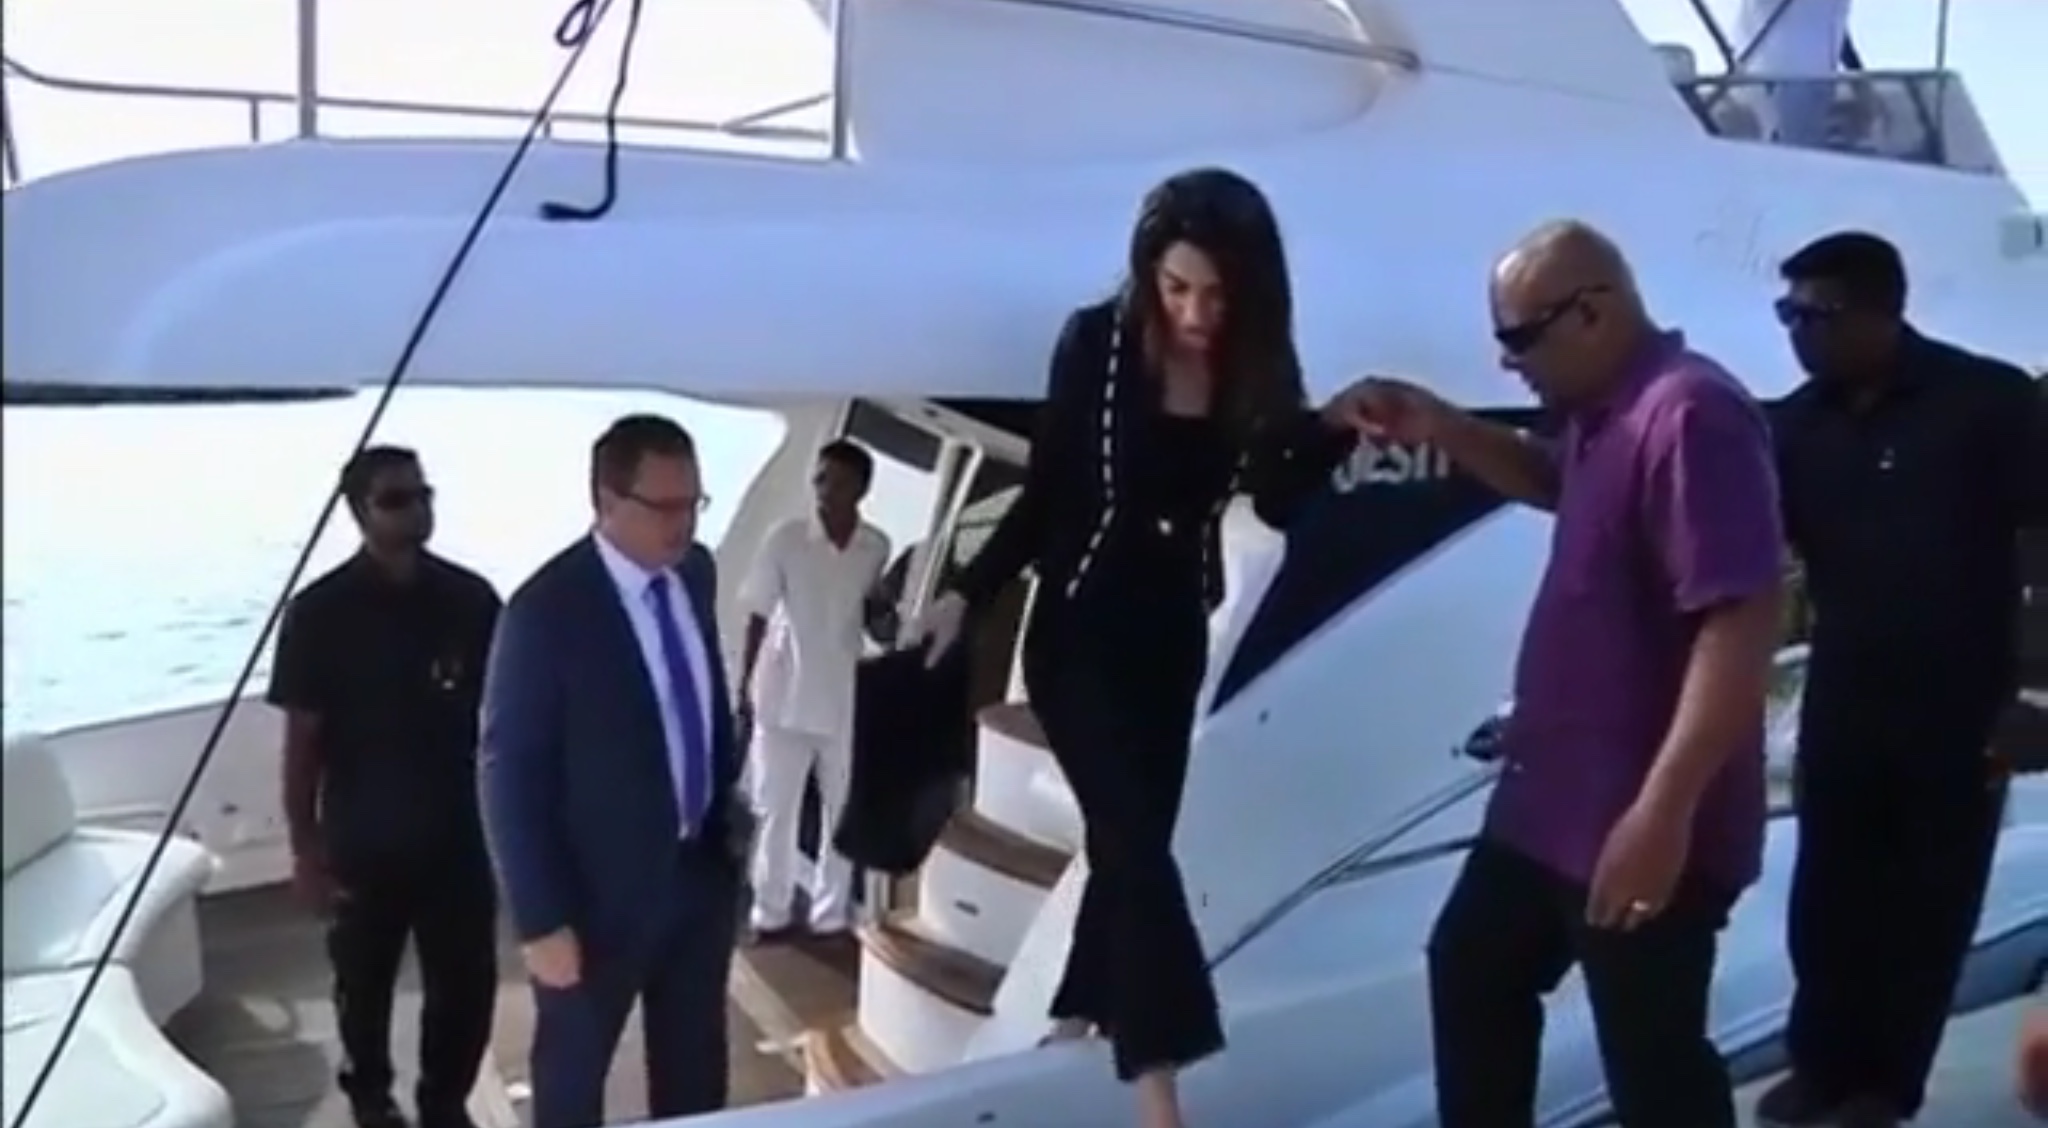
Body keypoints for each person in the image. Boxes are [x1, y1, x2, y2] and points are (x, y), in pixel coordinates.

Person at [911, 167, 1354, 1128]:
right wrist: (965, 594)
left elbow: (1277, 498)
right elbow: (1045, 492)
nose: (1194, 312)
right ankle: (1160, 1092)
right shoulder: (1095, 345)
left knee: (1129, 844)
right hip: (1077, 635)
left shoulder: (1257, 364)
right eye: (1176, 287)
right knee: (1139, 851)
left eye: (1216, 294)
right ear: (1149, 273)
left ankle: (1076, 1010)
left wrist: (1334, 430)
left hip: (1171, 641)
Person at [1328, 221, 1785, 1128]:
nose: (1508, 363)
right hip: (1552, 805)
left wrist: (1663, 813)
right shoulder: (1604, 411)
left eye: (1520, 337)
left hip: (1639, 812)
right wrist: (1444, 426)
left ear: (1591, 313)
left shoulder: (1692, 415)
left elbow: (1741, 622)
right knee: (1472, 967)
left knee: (1653, 1066)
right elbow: (1555, 480)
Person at [1753, 231, 2047, 1128]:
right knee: (1826, 898)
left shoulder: (1989, 401)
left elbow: (2043, 546)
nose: (1799, 333)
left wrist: (2036, 693)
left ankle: (1885, 1087)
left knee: (1928, 902)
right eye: (1788, 314)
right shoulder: (1795, 426)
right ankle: (1821, 1066)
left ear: (1883, 310)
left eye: (1818, 314)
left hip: (1966, 702)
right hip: (1847, 691)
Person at [477, 415, 748, 1128]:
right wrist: (540, 921)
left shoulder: (696, 572)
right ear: (605, 500)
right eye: (663, 506)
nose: (682, 523)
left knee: (696, 1071)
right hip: (592, 902)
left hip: (698, 875)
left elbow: (702, 701)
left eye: (693, 502)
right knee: (572, 1079)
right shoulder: (545, 612)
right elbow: (509, 773)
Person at [267, 446, 503, 1128]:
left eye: (423, 494)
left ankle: (444, 1102)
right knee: (362, 987)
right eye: (397, 499)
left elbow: (508, 721)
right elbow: (302, 745)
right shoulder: (318, 613)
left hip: (458, 834)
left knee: (466, 985)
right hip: (363, 837)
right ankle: (370, 1098)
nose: (417, 509)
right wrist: (305, 850)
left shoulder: (472, 599)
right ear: (359, 511)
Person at [736, 439, 891, 937]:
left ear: (861, 489)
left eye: (837, 481)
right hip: (781, 694)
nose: (825, 491)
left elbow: (873, 617)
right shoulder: (786, 539)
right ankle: (770, 913)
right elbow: (758, 613)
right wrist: (744, 686)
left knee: (841, 815)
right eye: (820, 479)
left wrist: (888, 614)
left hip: (842, 697)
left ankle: (830, 916)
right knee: (774, 813)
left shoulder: (875, 547)